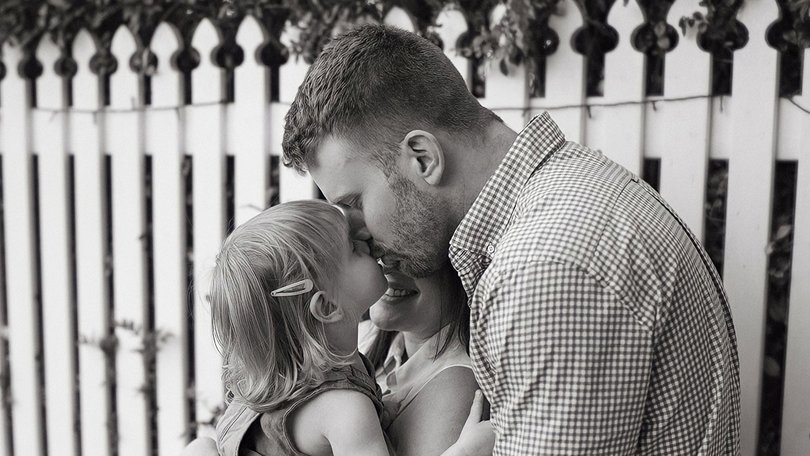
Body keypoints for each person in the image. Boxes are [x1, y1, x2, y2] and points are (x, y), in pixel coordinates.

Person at [282, 24, 742, 454]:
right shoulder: (574, 187)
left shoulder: (544, 268)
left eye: (355, 201)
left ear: (422, 157)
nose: (352, 231)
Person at [204, 200, 492, 456]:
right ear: (328, 307)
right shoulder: (346, 409)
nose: (370, 244)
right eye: (354, 248)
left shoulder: (291, 385)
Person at [360, 266, 476, 455]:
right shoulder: (360, 337)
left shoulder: (457, 385)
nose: (387, 266)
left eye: (410, 258)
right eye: (375, 246)